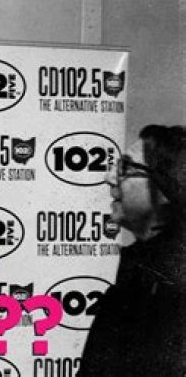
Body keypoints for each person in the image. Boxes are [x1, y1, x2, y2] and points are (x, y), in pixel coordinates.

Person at [78, 124, 186, 376]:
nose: (109, 178)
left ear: (167, 185)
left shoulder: (174, 285)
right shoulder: (135, 271)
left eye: (126, 168)